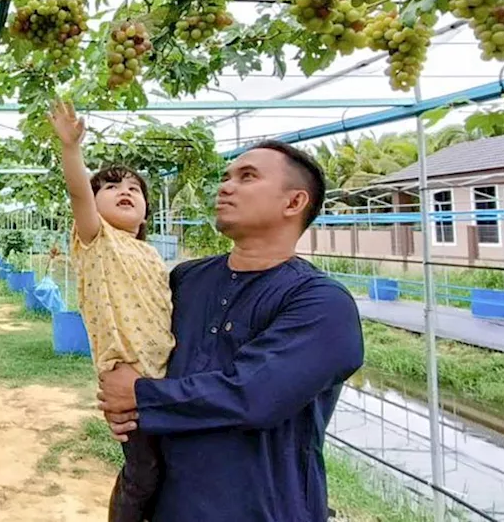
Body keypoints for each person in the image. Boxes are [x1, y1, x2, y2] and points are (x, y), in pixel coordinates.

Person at [97, 141, 364, 521]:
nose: (225, 187)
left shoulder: (322, 303)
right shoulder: (187, 279)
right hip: (167, 504)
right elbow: (144, 349)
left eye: (247, 177)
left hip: (260, 508)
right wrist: (122, 396)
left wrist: (140, 396)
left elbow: (254, 396)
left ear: (293, 203)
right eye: (225, 177)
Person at [49, 102, 174, 522]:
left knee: (170, 471)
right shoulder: (96, 240)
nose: (124, 190)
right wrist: (71, 149)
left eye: (134, 189)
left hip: (169, 380)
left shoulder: (153, 255)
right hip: (128, 380)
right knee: (144, 473)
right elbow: (78, 192)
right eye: (111, 187)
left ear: (144, 213)